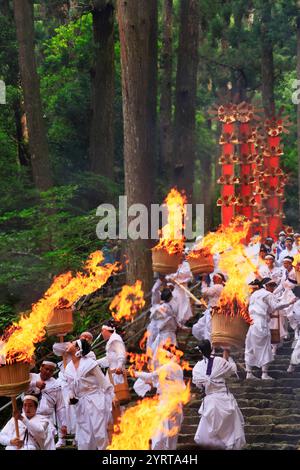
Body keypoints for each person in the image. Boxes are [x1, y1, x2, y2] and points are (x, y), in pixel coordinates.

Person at [192, 340, 245, 450]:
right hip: (224, 400)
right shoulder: (220, 361)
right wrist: (227, 355)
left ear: (201, 352)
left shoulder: (197, 368)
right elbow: (231, 370)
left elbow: (198, 384)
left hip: (210, 403)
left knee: (210, 433)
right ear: (211, 349)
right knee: (230, 432)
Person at [64, 338, 115, 450]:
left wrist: (113, 398)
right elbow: (70, 388)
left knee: (100, 434)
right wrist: (71, 396)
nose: (69, 343)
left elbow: (104, 383)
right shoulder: (68, 368)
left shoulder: (90, 364)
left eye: (72, 343)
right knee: (85, 438)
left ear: (78, 348)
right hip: (81, 405)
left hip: (95, 401)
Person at [133, 344, 186, 450]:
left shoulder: (168, 366)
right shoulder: (178, 368)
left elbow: (150, 376)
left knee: (159, 432)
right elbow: (163, 381)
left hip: (167, 404)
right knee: (171, 434)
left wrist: (133, 373)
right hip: (175, 404)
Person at [245, 279, 297, 380]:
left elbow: (267, 309)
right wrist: (289, 302)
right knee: (265, 348)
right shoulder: (268, 294)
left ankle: (249, 373)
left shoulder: (254, 294)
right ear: (265, 285)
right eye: (271, 285)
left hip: (252, 323)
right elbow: (276, 306)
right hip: (260, 323)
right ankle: (264, 374)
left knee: (250, 347)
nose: (273, 287)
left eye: (274, 285)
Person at [28, 360, 67, 450]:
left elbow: (60, 407)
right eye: (46, 369)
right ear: (41, 367)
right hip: (29, 419)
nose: (48, 372)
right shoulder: (31, 377)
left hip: (47, 420)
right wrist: (35, 384)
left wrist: (64, 424)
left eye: (51, 371)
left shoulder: (56, 384)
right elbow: (22, 388)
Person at [146, 288, 188, 363]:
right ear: (170, 297)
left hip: (170, 334)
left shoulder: (170, 308)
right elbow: (155, 316)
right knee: (166, 355)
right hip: (165, 335)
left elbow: (175, 322)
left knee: (169, 355)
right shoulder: (163, 308)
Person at [192, 273, 225, 343]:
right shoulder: (217, 287)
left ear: (220, 279)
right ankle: (206, 345)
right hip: (210, 311)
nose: (213, 279)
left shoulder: (218, 286)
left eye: (215, 277)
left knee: (209, 330)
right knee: (198, 327)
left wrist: (203, 282)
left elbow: (205, 292)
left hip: (213, 312)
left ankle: (209, 348)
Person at [97, 320, 127, 385]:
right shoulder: (111, 339)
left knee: (116, 392)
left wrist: (119, 367)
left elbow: (121, 353)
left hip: (117, 373)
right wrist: (95, 362)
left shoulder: (115, 338)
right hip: (112, 373)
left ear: (105, 330)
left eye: (102, 331)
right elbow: (109, 359)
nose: (102, 333)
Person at [165, 255, 194, 324]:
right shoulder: (173, 264)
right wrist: (171, 279)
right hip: (175, 288)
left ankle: (183, 320)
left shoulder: (186, 264)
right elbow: (168, 276)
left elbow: (188, 274)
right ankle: (177, 320)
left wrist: (178, 277)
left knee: (184, 303)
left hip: (183, 287)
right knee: (176, 302)